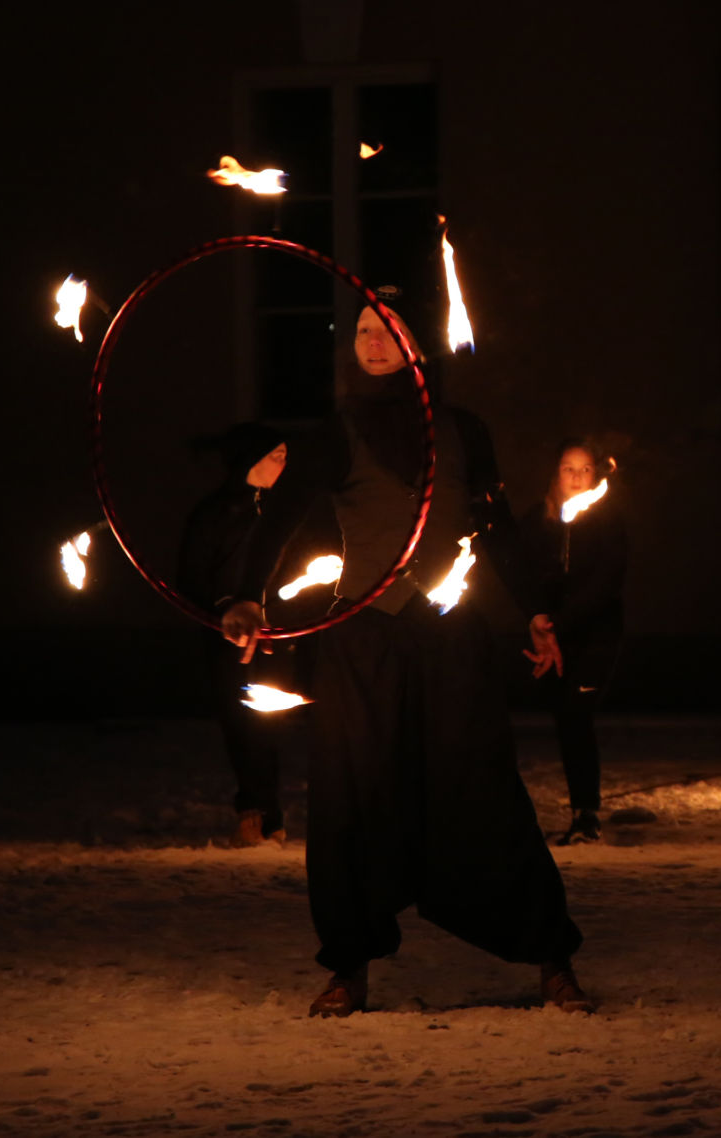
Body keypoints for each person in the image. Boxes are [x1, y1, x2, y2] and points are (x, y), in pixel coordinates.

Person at [219, 302, 591, 1016]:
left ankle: (552, 958)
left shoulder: (462, 430)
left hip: (450, 636)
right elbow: (286, 513)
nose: (373, 341)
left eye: (388, 328)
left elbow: (496, 529)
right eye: (361, 330)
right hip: (365, 642)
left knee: (482, 787)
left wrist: (534, 610)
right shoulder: (337, 433)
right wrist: (245, 594)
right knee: (351, 797)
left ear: (417, 341)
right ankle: (348, 967)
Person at [177, 422, 291, 847]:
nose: (284, 463)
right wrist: (226, 609)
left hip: (278, 636)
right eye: (275, 455)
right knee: (243, 723)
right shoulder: (215, 514)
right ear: (251, 460)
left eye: (285, 455)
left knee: (270, 722)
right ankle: (253, 812)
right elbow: (190, 576)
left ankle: (270, 816)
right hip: (229, 639)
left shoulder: (284, 512)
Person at [517, 439, 627, 846]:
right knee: (565, 718)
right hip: (549, 638)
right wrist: (540, 623)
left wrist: (560, 624)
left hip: (594, 635)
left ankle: (586, 814)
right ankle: (577, 810)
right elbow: (523, 577)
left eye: (584, 469)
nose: (577, 477)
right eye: (568, 468)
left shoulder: (607, 521)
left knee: (577, 712)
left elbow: (605, 583)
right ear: (555, 473)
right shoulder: (537, 523)